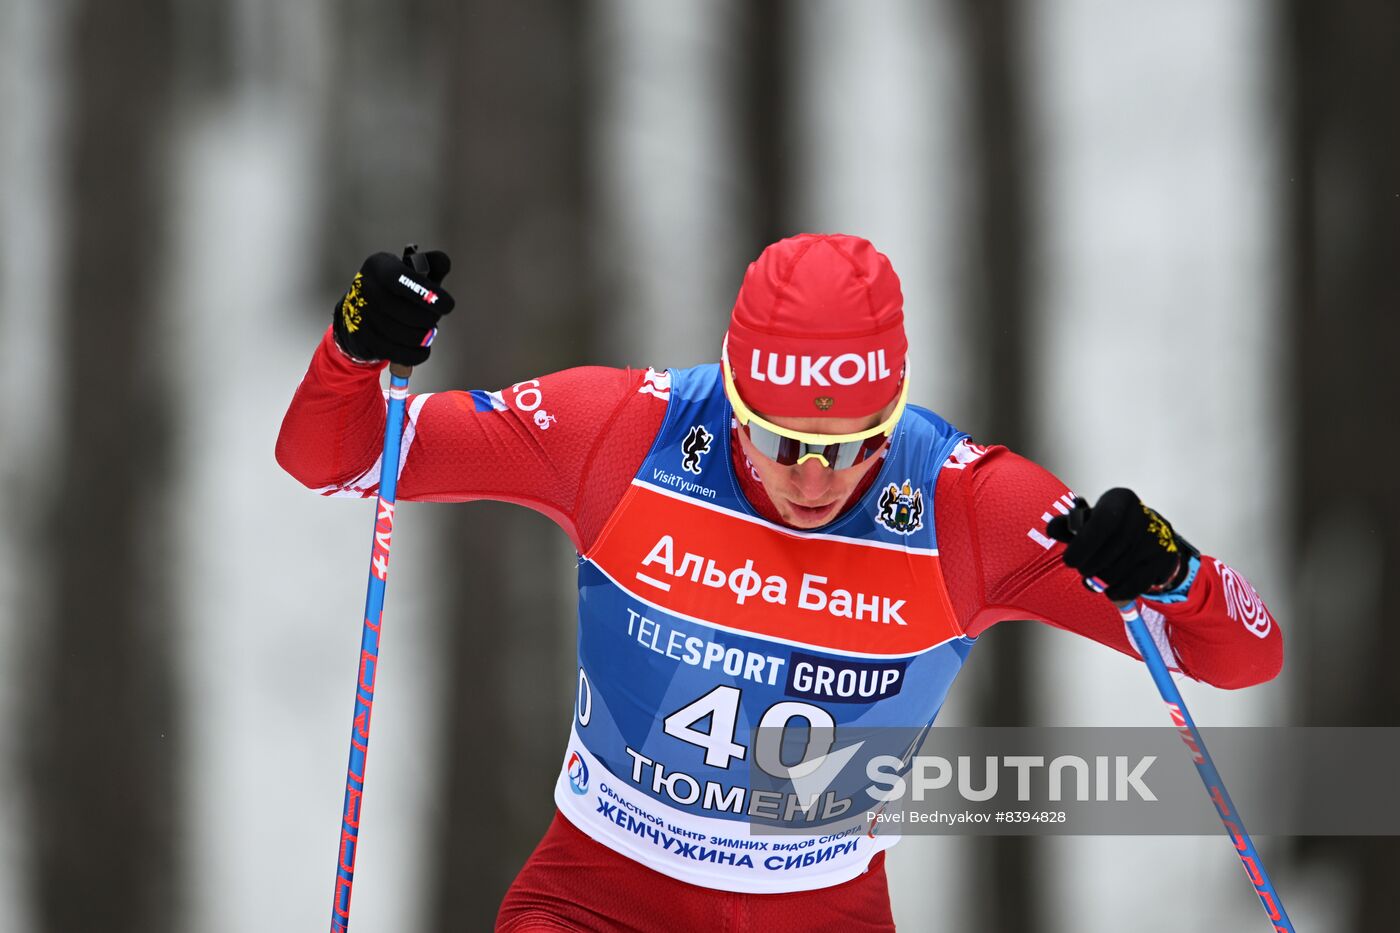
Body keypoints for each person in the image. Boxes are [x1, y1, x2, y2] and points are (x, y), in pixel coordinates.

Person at [277, 233, 1282, 931]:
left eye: (850, 448)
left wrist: (1170, 571)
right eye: (778, 440)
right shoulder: (622, 432)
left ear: (891, 416)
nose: (812, 477)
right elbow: (334, 458)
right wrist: (354, 351)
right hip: (595, 903)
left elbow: (1240, 656)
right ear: (730, 387)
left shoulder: (964, 504)